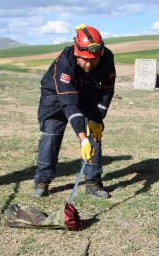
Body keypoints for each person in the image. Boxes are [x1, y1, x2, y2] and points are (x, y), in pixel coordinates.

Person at [33, 24, 116, 199]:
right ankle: (42, 181)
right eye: (85, 59)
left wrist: (97, 118)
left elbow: (107, 89)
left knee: (94, 135)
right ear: (77, 53)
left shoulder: (107, 57)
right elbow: (69, 103)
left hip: (87, 92)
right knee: (52, 134)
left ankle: (93, 183)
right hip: (56, 94)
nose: (89, 64)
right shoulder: (64, 62)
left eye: (94, 59)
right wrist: (81, 138)